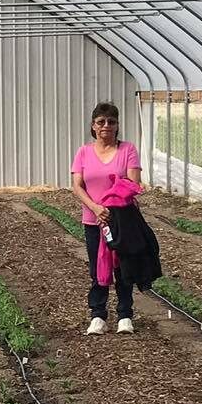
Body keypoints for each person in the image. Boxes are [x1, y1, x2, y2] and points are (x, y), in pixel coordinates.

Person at [71, 102, 142, 334]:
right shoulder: (83, 152)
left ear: (117, 125)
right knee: (97, 267)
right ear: (93, 125)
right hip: (93, 221)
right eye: (101, 121)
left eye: (111, 121)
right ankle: (98, 315)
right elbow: (77, 186)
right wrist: (95, 208)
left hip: (121, 220)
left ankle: (125, 315)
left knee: (123, 267)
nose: (106, 126)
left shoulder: (127, 150)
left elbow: (132, 183)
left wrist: (110, 209)